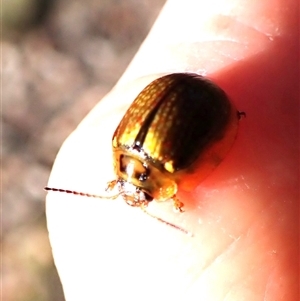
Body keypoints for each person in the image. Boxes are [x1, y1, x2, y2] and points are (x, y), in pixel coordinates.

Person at [46, 0, 299, 300]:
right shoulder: (122, 145)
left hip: (203, 102)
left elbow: (212, 149)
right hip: (181, 90)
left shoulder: (168, 165)